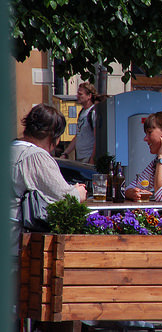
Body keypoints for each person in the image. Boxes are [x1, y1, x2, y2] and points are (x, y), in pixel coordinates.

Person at [11, 104, 87, 250]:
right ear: (54, 137)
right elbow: (64, 198)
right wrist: (78, 193)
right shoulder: (35, 156)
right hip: (16, 243)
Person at [61, 82, 107, 164]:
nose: (77, 96)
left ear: (89, 96)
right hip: (80, 157)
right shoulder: (82, 112)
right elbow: (77, 136)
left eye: (80, 94)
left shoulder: (93, 112)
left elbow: (97, 138)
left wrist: (92, 159)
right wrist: (65, 153)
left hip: (88, 157)